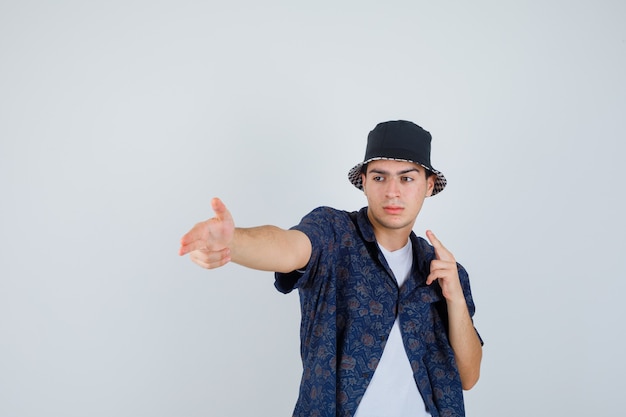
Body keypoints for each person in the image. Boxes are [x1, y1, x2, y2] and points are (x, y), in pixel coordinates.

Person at [178, 120, 483, 417]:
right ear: (363, 181)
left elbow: (468, 377)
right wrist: (234, 240)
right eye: (379, 177)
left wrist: (455, 299)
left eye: (406, 178)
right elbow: (288, 246)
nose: (392, 191)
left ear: (428, 185)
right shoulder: (334, 233)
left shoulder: (443, 270)